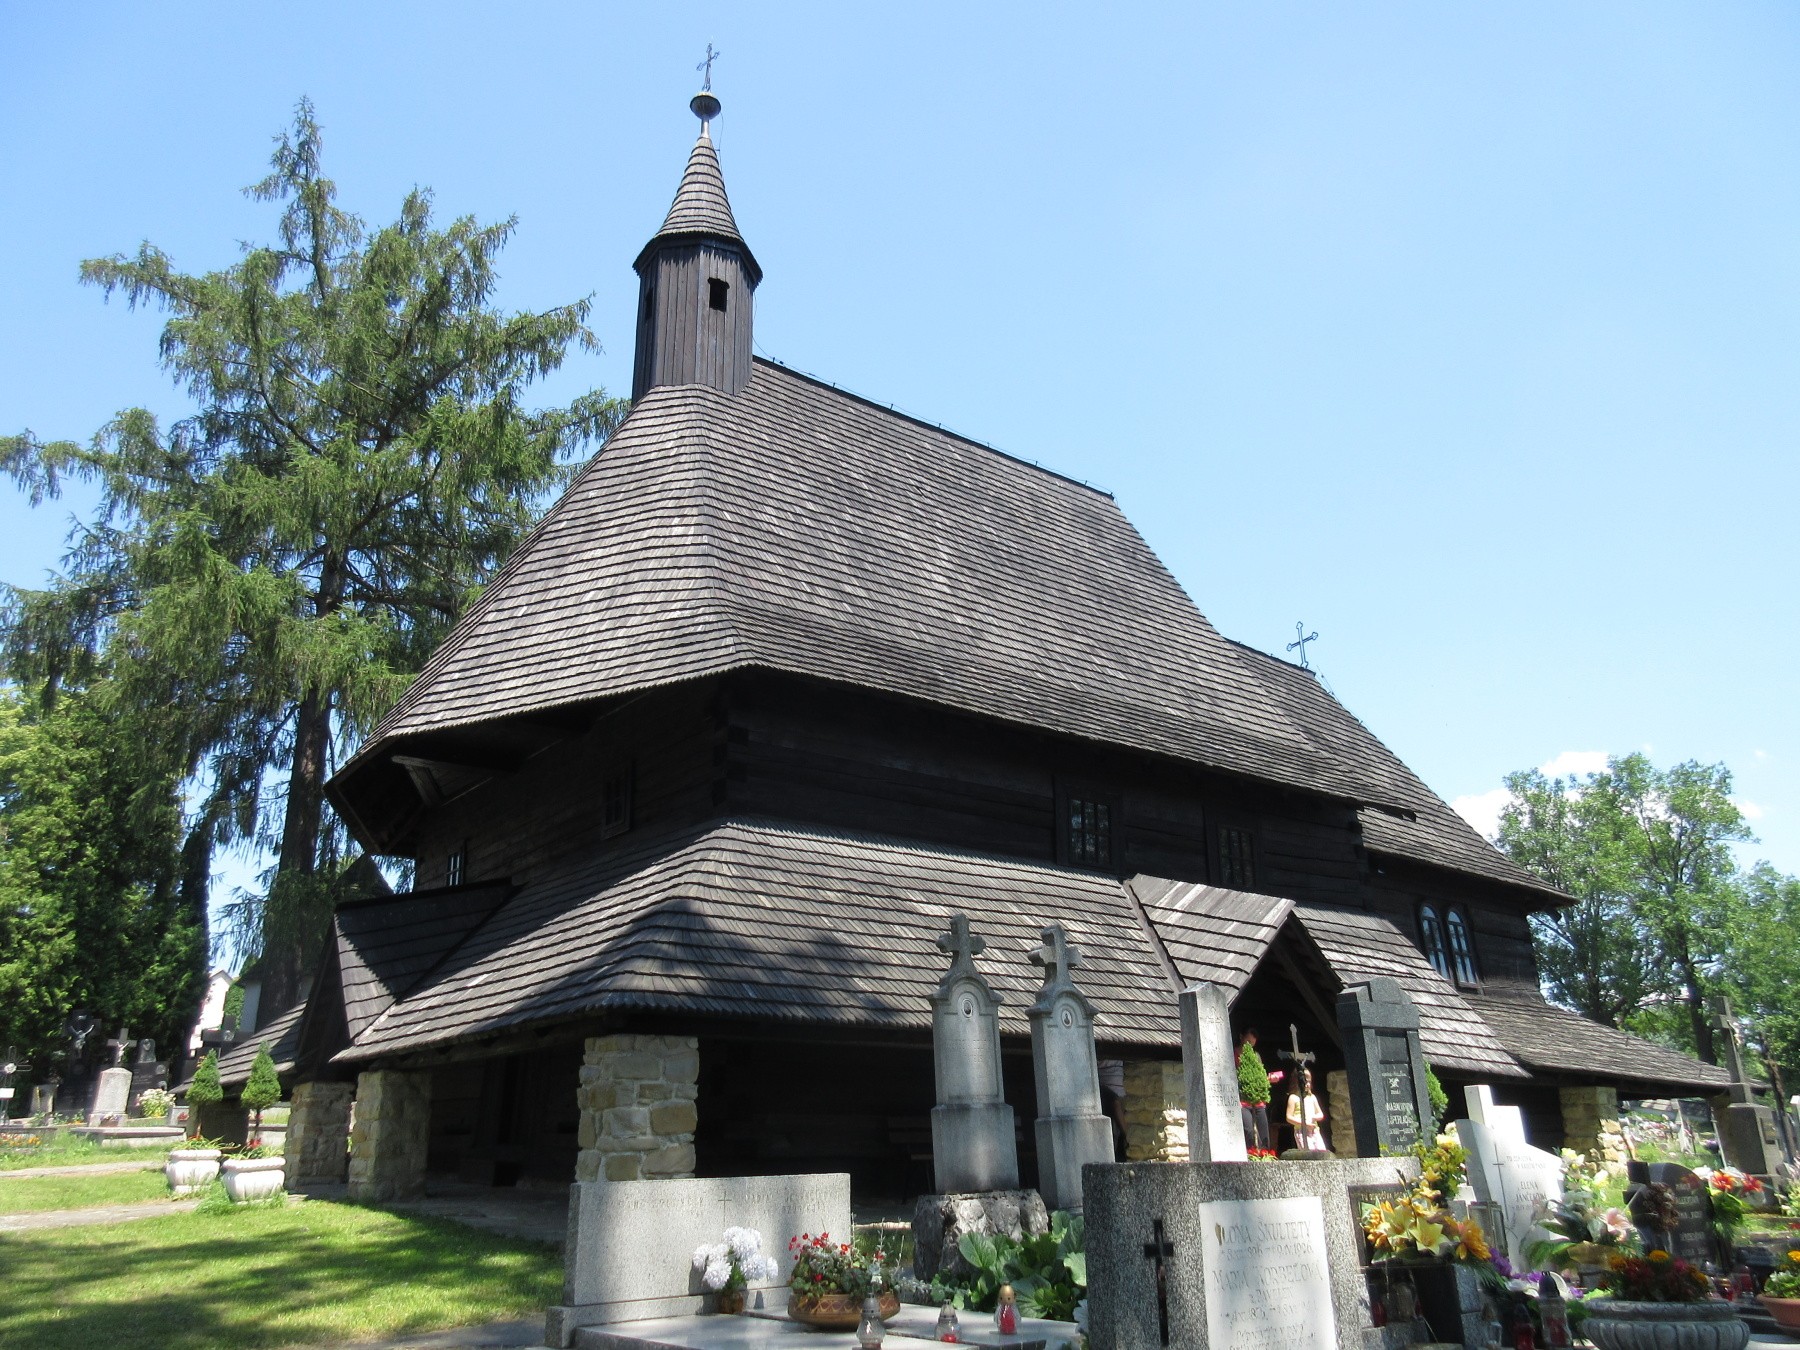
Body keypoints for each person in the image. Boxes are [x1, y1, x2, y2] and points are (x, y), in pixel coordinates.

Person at [1286, 1067, 1327, 1152]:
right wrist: (1304, 1123)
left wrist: (1315, 1117)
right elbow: (1289, 1117)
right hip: (1302, 1131)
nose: (1307, 1084)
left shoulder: (1312, 1097)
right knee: (1308, 1153)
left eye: (1309, 1082)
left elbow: (1320, 1114)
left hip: (1314, 1130)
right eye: (1305, 1082)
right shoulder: (1293, 1098)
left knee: (1321, 1152)